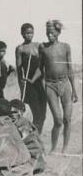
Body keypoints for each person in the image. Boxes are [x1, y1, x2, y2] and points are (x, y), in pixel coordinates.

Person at [32, 20, 78, 154]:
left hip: (65, 84)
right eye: (47, 33)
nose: (49, 36)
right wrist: (31, 80)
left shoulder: (66, 47)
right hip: (50, 85)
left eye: (52, 33)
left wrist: (74, 91)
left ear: (58, 33)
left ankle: (64, 149)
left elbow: (70, 68)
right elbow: (40, 68)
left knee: (67, 119)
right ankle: (53, 148)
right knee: (58, 120)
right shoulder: (43, 47)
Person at [15, 23, 47, 133]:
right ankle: (34, 136)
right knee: (37, 112)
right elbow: (19, 69)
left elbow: (44, 64)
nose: (29, 35)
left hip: (39, 81)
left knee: (43, 113)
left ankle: (37, 134)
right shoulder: (20, 48)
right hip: (28, 82)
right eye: (27, 33)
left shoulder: (38, 46)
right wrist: (21, 86)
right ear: (22, 34)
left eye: (31, 33)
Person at [10, 99, 46, 174]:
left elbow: (24, 141)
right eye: (10, 112)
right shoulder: (16, 122)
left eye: (15, 112)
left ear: (22, 112)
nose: (12, 115)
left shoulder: (23, 122)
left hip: (33, 158)